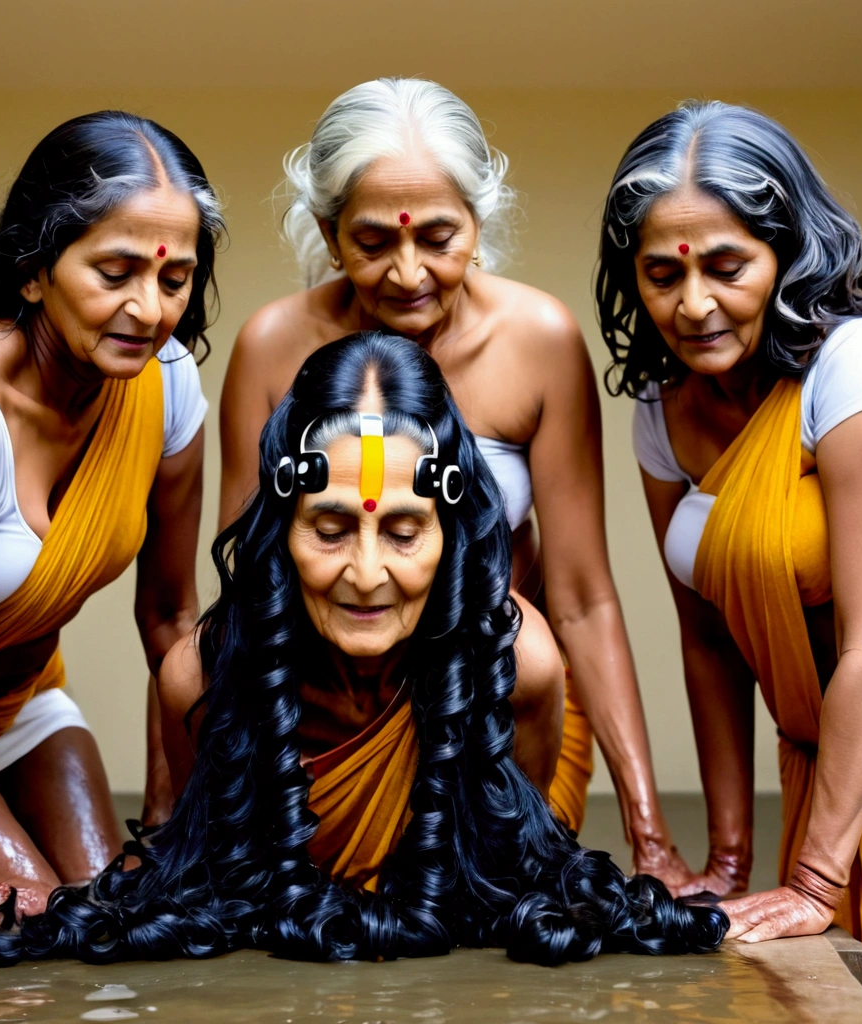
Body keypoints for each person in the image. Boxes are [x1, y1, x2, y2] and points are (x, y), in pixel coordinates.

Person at [0, 331, 728, 968]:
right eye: (330, 526)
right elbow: (222, 864)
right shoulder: (200, 680)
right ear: (281, 527)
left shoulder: (519, 666)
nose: (367, 573)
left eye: (405, 529)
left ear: (449, 534)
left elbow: (505, 854)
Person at [219, 78, 695, 888]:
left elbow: (581, 598)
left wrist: (652, 838)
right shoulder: (274, 345)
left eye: (438, 237)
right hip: (321, 716)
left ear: (479, 224)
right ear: (331, 235)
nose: (408, 274)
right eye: (373, 243)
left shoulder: (538, 341)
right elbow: (251, 573)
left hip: (500, 707)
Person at [598, 99, 862, 1022]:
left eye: (727, 265)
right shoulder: (663, 409)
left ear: (789, 253)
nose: (693, 303)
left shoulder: (854, 368)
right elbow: (709, 637)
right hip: (819, 742)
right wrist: (728, 862)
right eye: (662, 273)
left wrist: (817, 881)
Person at [0, 111, 221, 916]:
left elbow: (171, 618)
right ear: (34, 270)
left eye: (173, 279)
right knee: (35, 928)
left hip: (21, 701)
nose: (148, 310)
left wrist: (174, 829)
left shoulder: (166, 384)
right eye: (114, 272)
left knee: (120, 918)